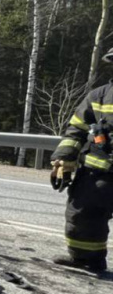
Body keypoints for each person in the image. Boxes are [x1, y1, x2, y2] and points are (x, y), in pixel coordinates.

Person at [50, 47, 113, 274]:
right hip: (98, 172)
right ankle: (86, 259)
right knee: (82, 215)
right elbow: (76, 128)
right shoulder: (99, 96)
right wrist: (64, 159)